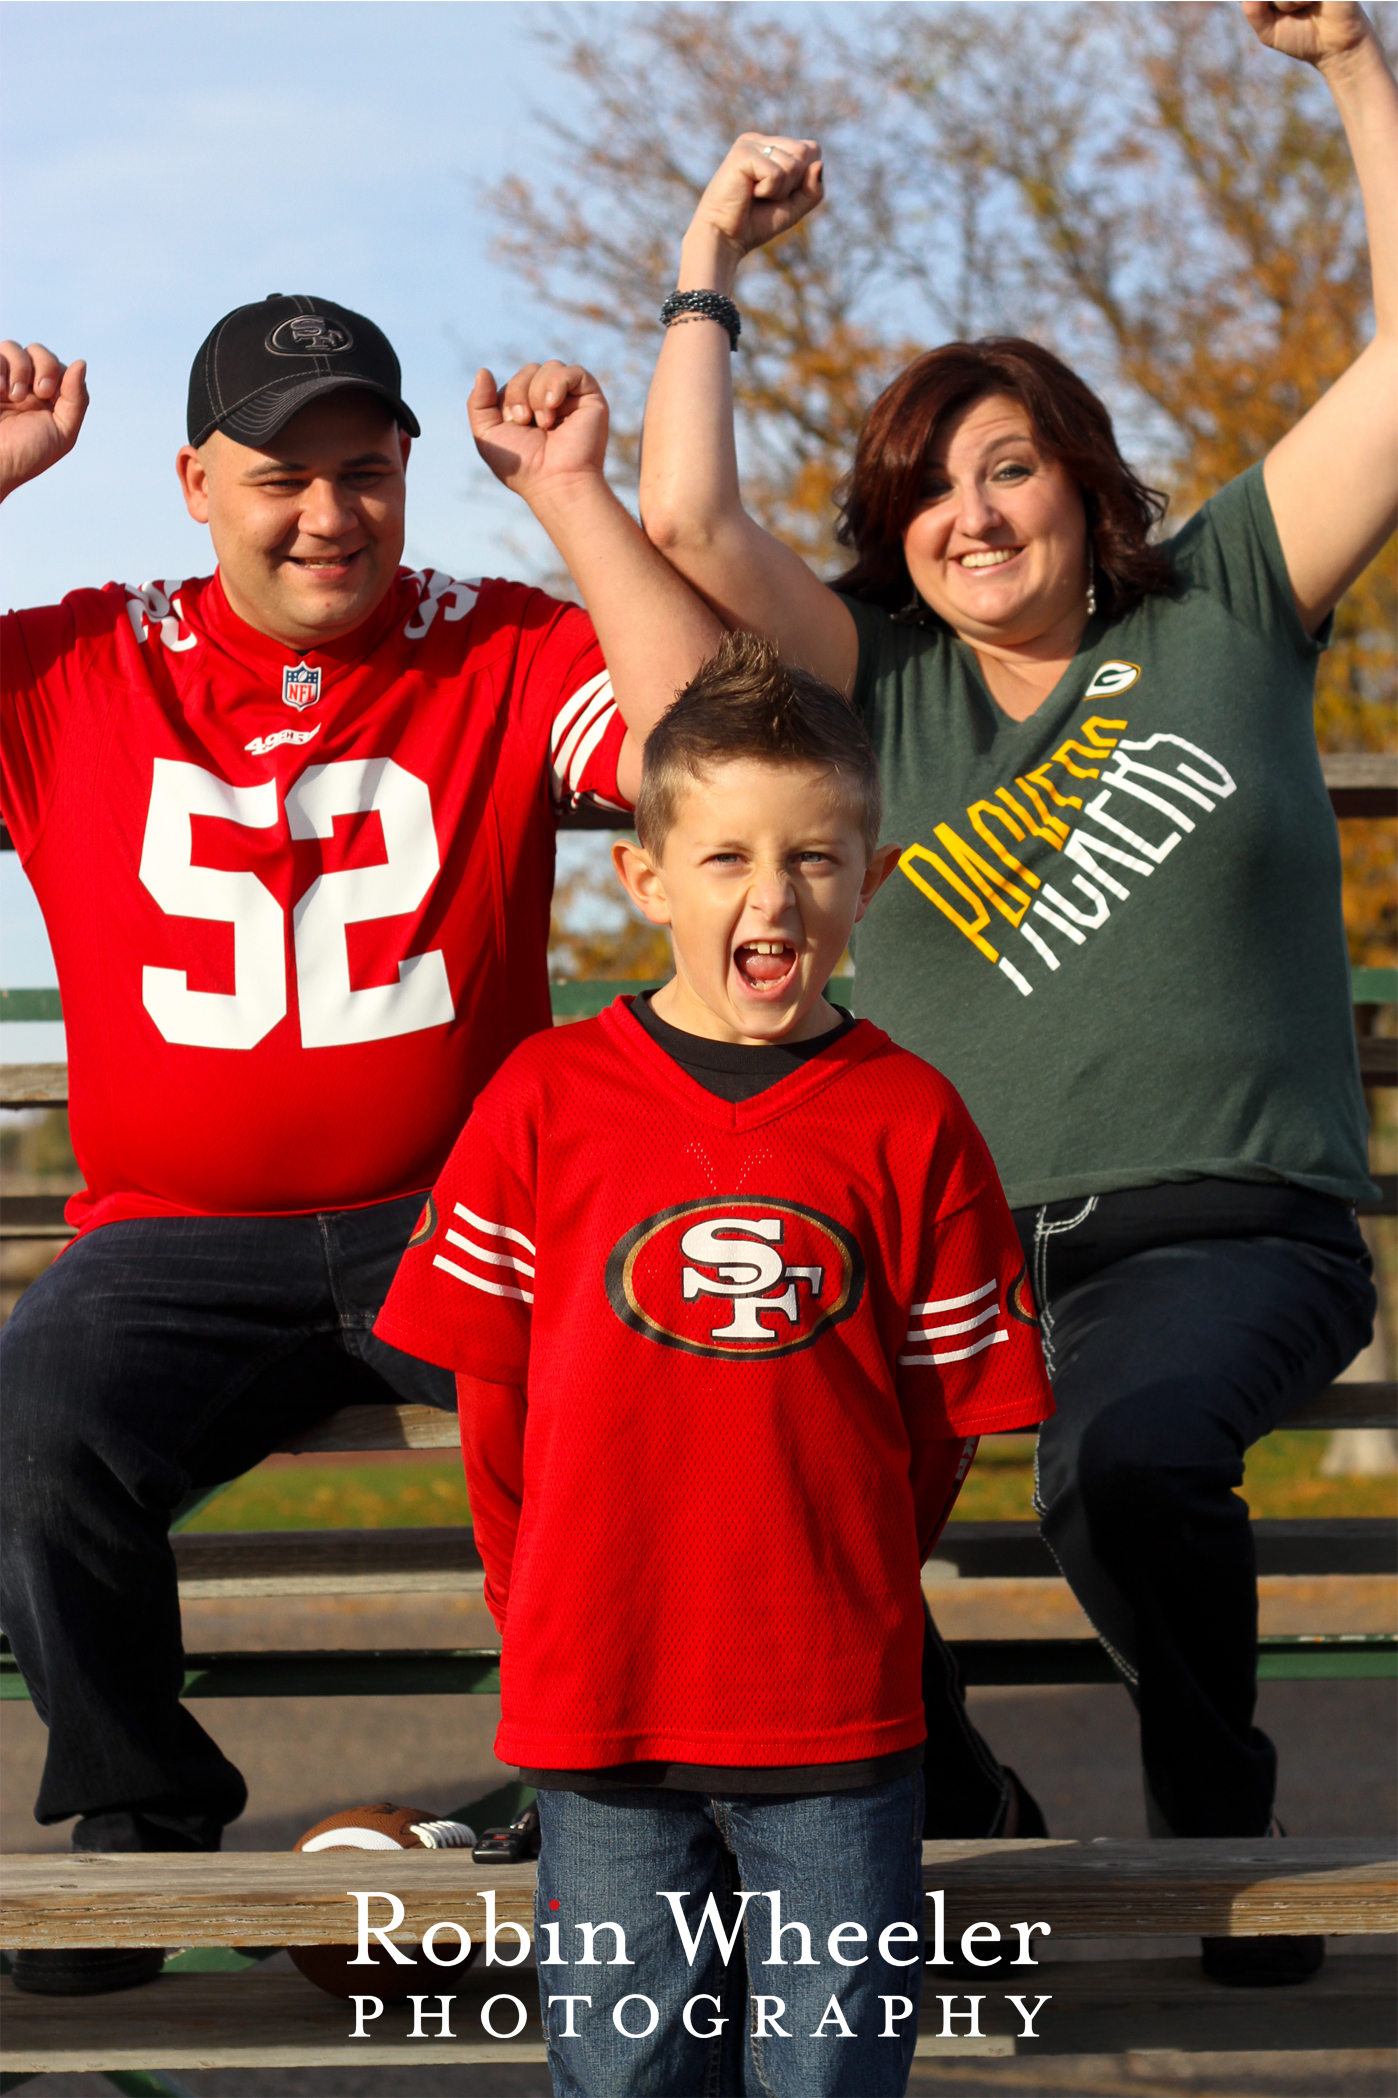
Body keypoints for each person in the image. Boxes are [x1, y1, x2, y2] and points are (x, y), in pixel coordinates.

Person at [635, 0, 1394, 1986]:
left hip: (1224, 1229)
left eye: (1010, 465)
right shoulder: (881, 688)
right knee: (736, 1467)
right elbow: (692, 519)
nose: (972, 512)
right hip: (948, 1254)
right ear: (894, 533)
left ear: (1083, 479)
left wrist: (1353, 72)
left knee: (1121, 1453)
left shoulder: (1223, 596)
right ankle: (959, 1787)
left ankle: (1218, 1810)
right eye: (926, 489)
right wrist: (709, 259)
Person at [0, 296, 721, 1995]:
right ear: (192, 482)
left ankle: (589, 1804)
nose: (329, 514)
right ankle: (138, 1815)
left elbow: (710, 761)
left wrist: (570, 496)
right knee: (30, 1427)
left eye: (365, 472)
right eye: (281, 477)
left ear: (408, 474)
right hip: (169, 1232)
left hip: (462, 1209)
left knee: (646, 1396)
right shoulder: (75, 663)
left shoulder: (505, 641)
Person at [374, 635, 1053, 2097]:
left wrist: (843, 1572)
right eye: (729, 854)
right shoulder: (544, 1096)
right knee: (622, 2076)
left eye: (814, 858)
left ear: (866, 881)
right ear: (646, 880)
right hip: (598, 1692)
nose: (771, 895)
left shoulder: (913, 1117)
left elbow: (940, 1429)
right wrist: (535, 1594)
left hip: (830, 1713)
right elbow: (492, 1397)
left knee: (825, 2075)